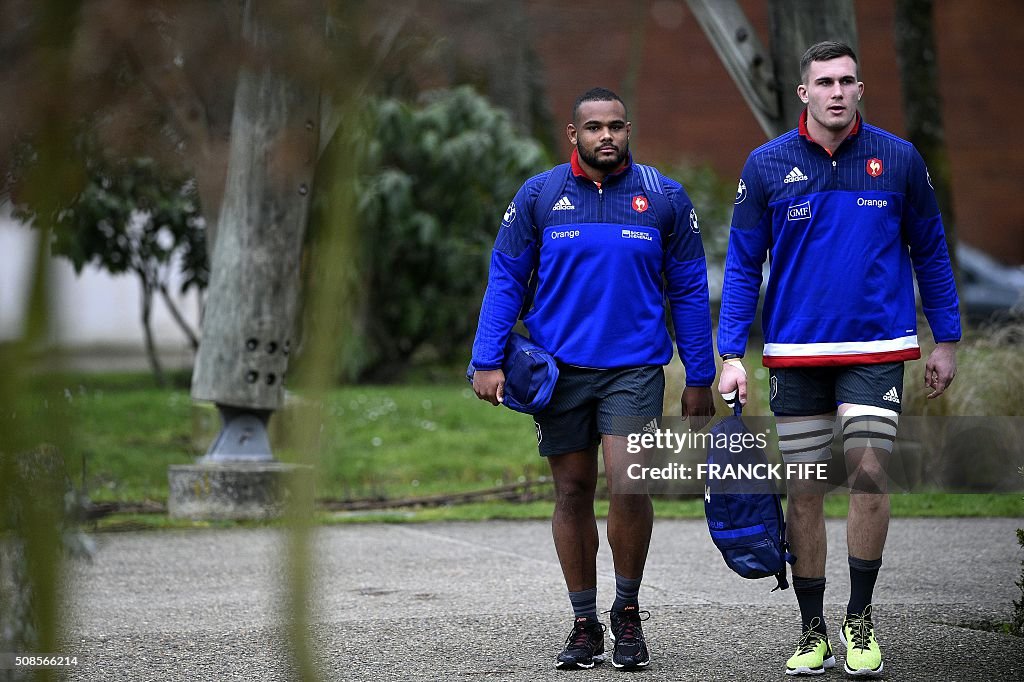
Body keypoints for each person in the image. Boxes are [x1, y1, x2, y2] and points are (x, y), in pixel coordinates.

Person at [717, 41, 959, 677]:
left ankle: (860, 618)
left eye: (847, 81)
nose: (836, 92)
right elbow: (743, 263)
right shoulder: (767, 165)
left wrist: (948, 339)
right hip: (794, 354)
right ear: (804, 93)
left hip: (877, 349)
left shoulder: (898, 159)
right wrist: (729, 352)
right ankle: (811, 628)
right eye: (823, 82)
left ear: (860, 89)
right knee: (804, 491)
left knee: (869, 475)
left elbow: (931, 251)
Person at [470, 87, 717, 671]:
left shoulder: (663, 198)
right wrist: (487, 359)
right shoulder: (539, 196)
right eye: (594, 128)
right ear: (573, 135)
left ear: (628, 129)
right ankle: (584, 622)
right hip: (558, 373)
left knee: (629, 483)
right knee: (573, 492)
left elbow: (686, 289)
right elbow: (506, 278)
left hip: (634, 368)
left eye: (615, 127)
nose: (605, 136)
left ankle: (626, 614)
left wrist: (699, 375)